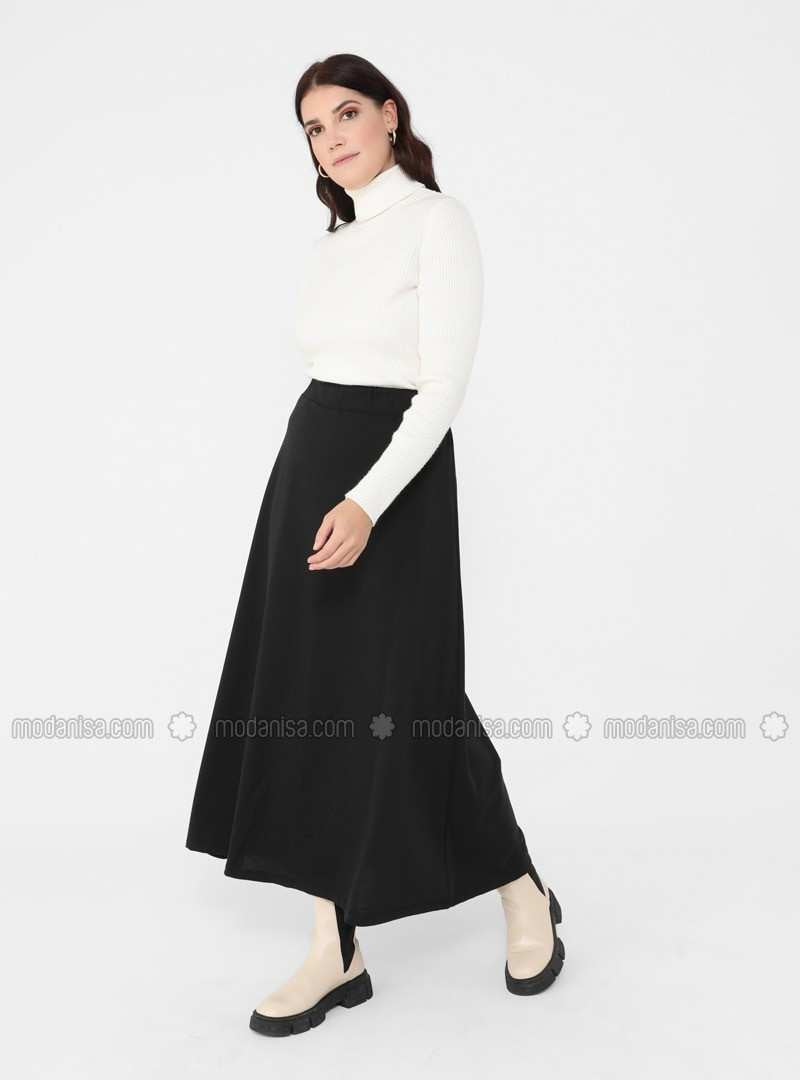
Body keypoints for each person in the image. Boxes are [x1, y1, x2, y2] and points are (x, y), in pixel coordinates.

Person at [185, 52, 566, 1038]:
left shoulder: (438, 222)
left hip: (391, 479)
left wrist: (364, 502)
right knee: (311, 695)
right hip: (308, 467)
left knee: (411, 700)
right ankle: (334, 944)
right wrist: (324, 491)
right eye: (313, 128)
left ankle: (520, 888)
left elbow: (441, 389)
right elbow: (332, 367)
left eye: (346, 114)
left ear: (390, 115)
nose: (331, 138)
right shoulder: (337, 240)